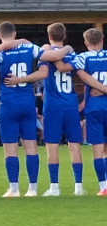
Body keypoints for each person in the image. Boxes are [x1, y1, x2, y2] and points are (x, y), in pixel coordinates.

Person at [0, 21, 70, 197]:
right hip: (27, 101)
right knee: (31, 146)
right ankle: (32, 188)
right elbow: (53, 56)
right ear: (14, 34)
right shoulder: (29, 47)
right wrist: (67, 47)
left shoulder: (1, 53)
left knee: (10, 148)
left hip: (8, 103)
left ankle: (14, 188)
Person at [40, 23, 92, 196]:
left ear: (49, 36)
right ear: (64, 36)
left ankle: (54, 187)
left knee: (52, 145)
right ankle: (78, 186)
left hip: (53, 106)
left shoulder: (46, 53)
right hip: (70, 104)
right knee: (74, 144)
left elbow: (50, 62)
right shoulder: (73, 55)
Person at [72, 28, 107, 194]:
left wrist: (101, 89)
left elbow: (83, 76)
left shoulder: (82, 57)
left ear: (86, 42)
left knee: (98, 150)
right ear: (102, 40)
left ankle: (103, 187)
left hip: (94, 107)